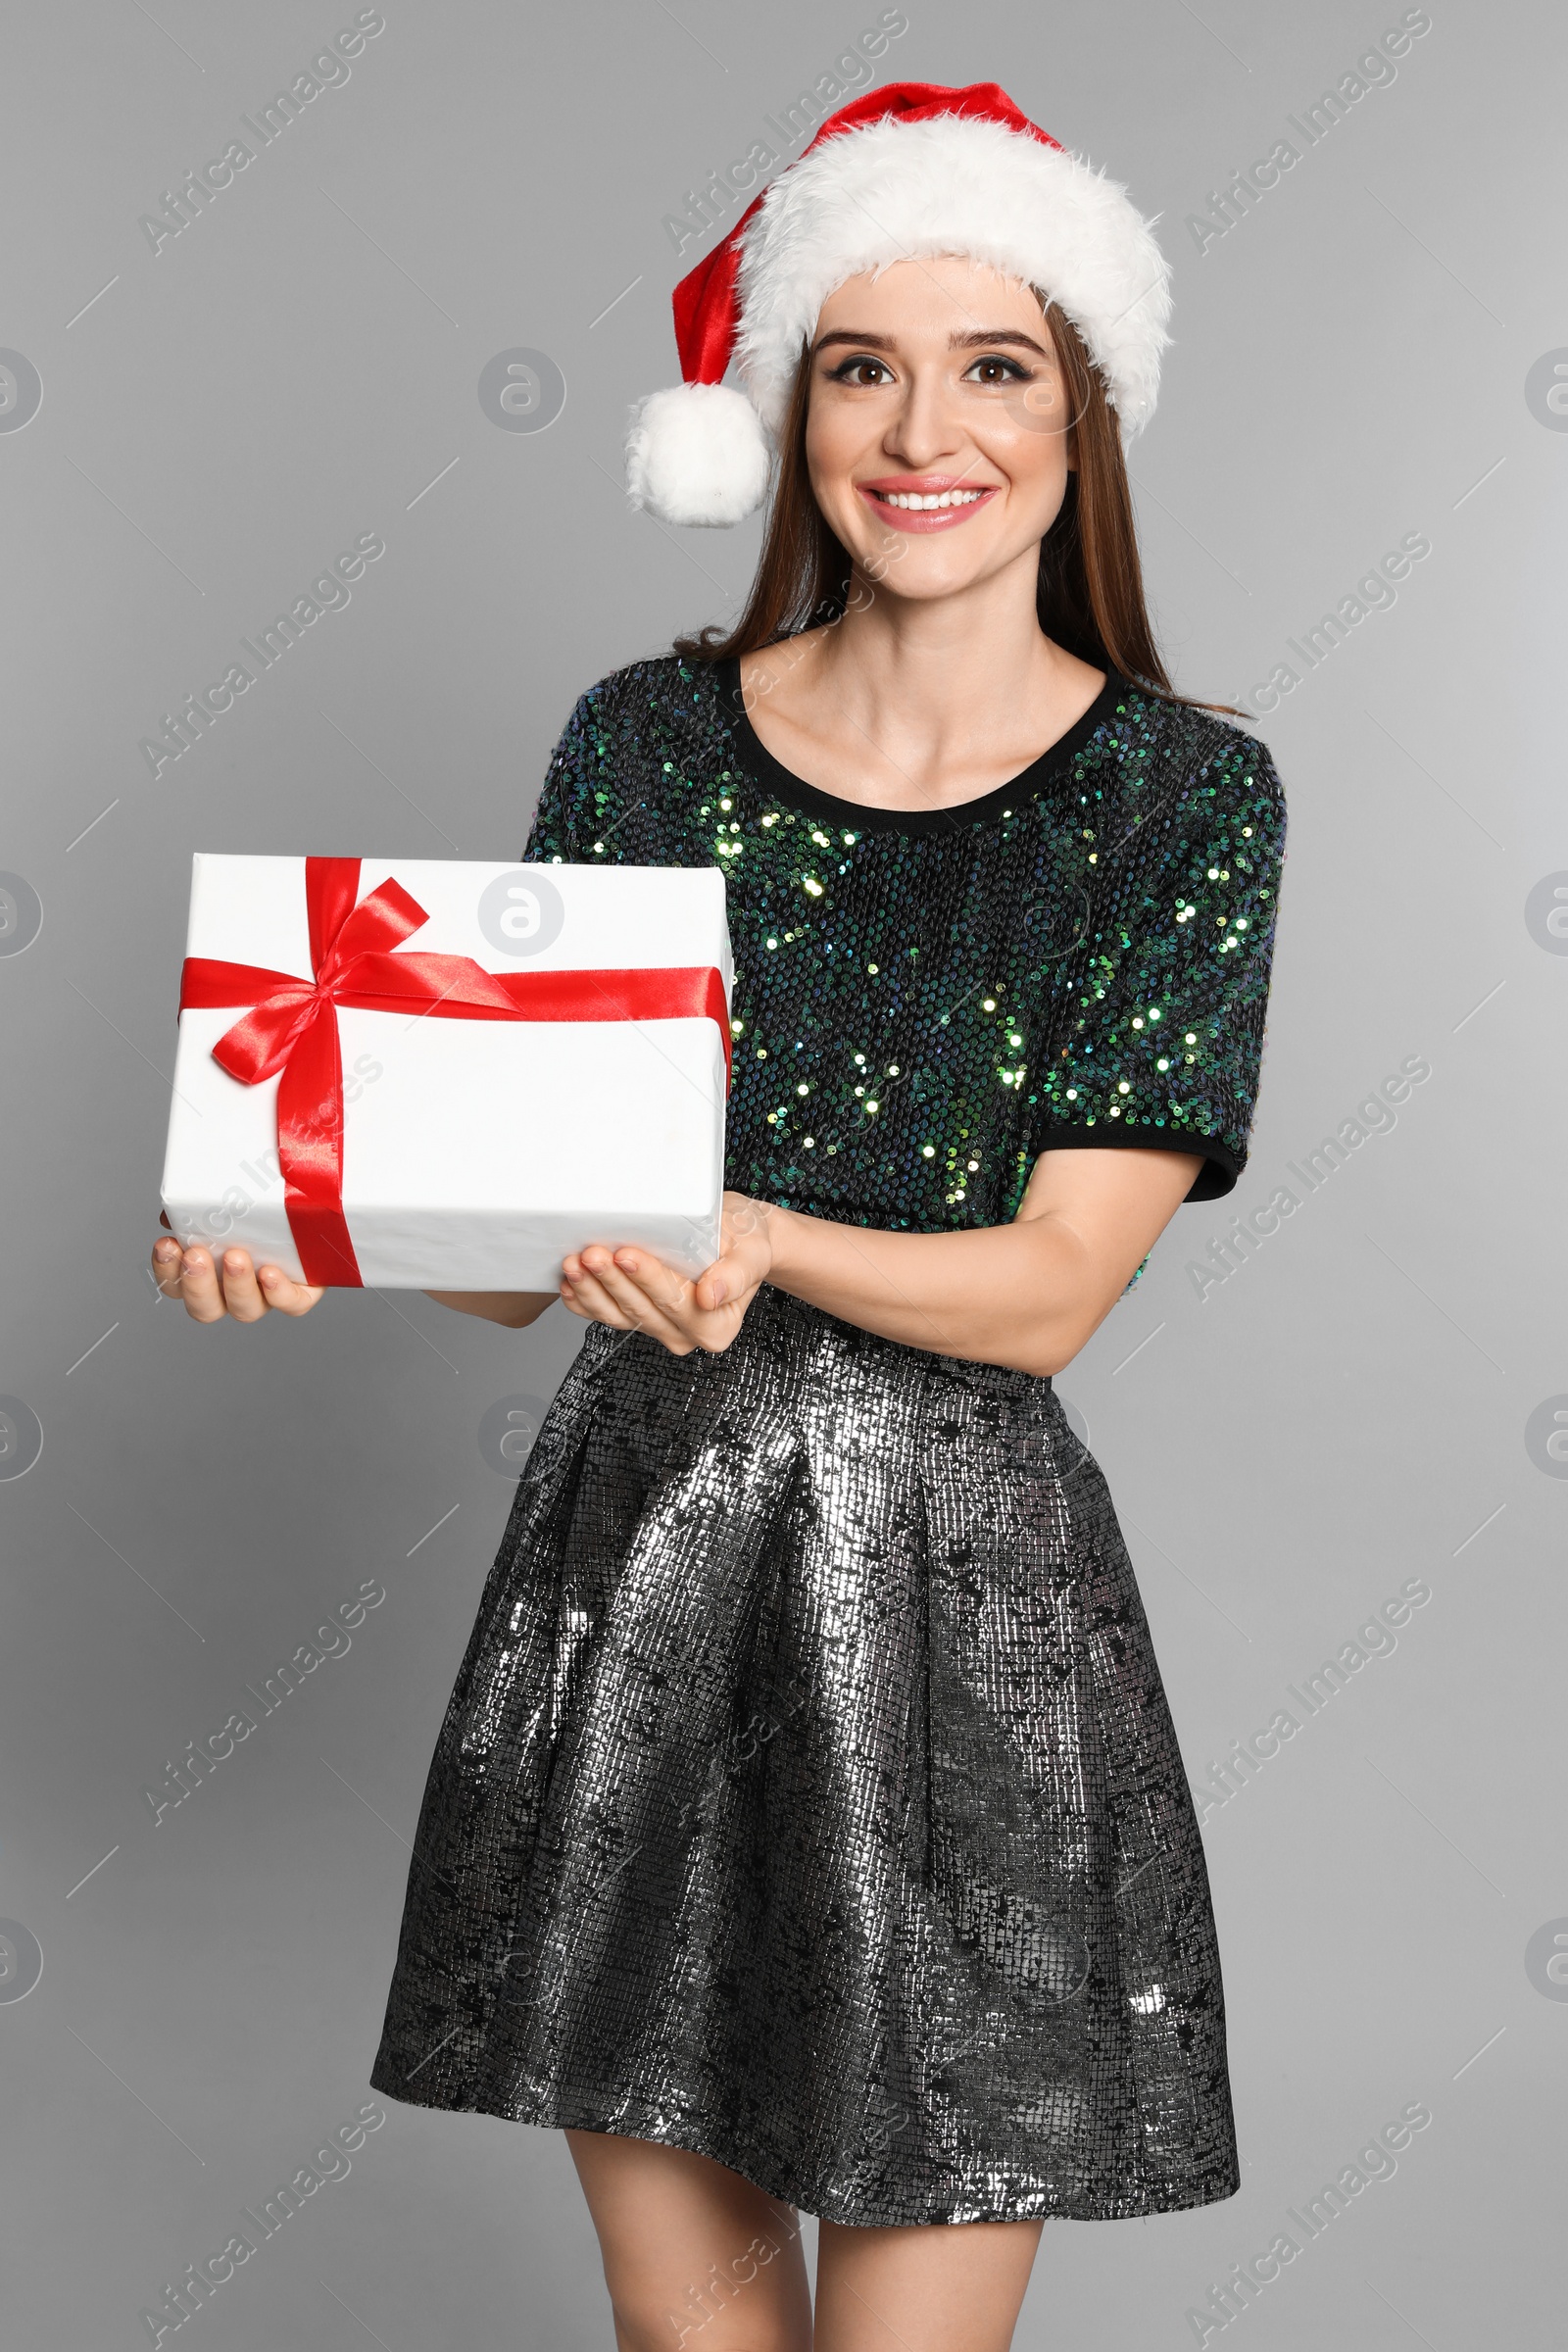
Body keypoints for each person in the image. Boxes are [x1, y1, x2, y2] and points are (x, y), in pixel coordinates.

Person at [152, 82, 1287, 2352]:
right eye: (858, 363)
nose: (918, 427)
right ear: (783, 412)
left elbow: (1052, 1288)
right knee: (691, 2340)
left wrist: (759, 1229)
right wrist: (314, 1221)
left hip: (965, 1617)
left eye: (994, 366)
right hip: (644, 1556)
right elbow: (539, 1220)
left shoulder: (1182, 797)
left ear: (1082, 423)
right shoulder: (643, 743)